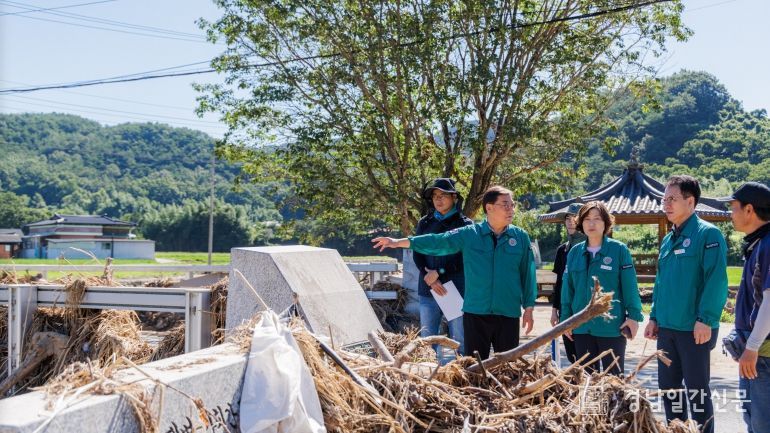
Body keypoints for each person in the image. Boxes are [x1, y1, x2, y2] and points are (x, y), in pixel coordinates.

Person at [373, 185, 537, 360]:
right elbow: (438, 242)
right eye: (505, 205)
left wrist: (529, 307)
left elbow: (528, 273)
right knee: (474, 367)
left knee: (508, 366)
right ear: (489, 208)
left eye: (512, 205)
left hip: (508, 312)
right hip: (476, 313)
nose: (510, 209)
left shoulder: (520, 237)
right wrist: (399, 242)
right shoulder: (470, 234)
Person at [643, 175, 728, 433]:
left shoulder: (708, 234)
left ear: (690, 202)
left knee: (697, 393)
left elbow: (716, 281)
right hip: (667, 329)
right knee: (670, 392)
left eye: (672, 199)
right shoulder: (669, 240)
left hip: (695, 329)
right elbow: (662, 283)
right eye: (664, 199)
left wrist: (706, 318)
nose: (665, 204)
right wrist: (654, 317)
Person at [560, 201, 643, 375]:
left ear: (606, 223)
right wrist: (565, 319)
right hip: (581, 326)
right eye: (587, 219)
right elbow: (567, 290)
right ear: (580, 223)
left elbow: (630, 287)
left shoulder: (619, 250)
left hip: (611, 327)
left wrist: (634, 316)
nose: (591, 223)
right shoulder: (574, 252)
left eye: (597, 219)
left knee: (614, 380)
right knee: (585, 380)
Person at [719, 181, 770, 433]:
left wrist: (751, 347)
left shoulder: (768, 245)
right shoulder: (757, 244)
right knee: (753, 420)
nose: (731, 214)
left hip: (762, 351)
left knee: (762, 423)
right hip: (755, 349)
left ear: (749, 210)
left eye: (734, 207)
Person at [413, 178, 473, 362]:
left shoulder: (465, 224)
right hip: (428, 289)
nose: (438, 200)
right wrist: (428, 276)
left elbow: (465, 257)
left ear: (454, 197)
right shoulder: (425, 222)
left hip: (454, 289)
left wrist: (438, 272)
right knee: (426, 340)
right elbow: (417, 251)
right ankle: (426, 378)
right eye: (435, 196)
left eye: (443, 196)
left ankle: (464, 375)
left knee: (460, 340)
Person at [550, 202, 585, 364]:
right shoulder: (562, 249)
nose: (570, 221)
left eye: (574, 217)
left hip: (585, 307)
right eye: (567, 218)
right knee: (572, 357)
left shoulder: (591, 247)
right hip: (566, 308)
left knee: (587, 359)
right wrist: (554, 310)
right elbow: (559, 283)